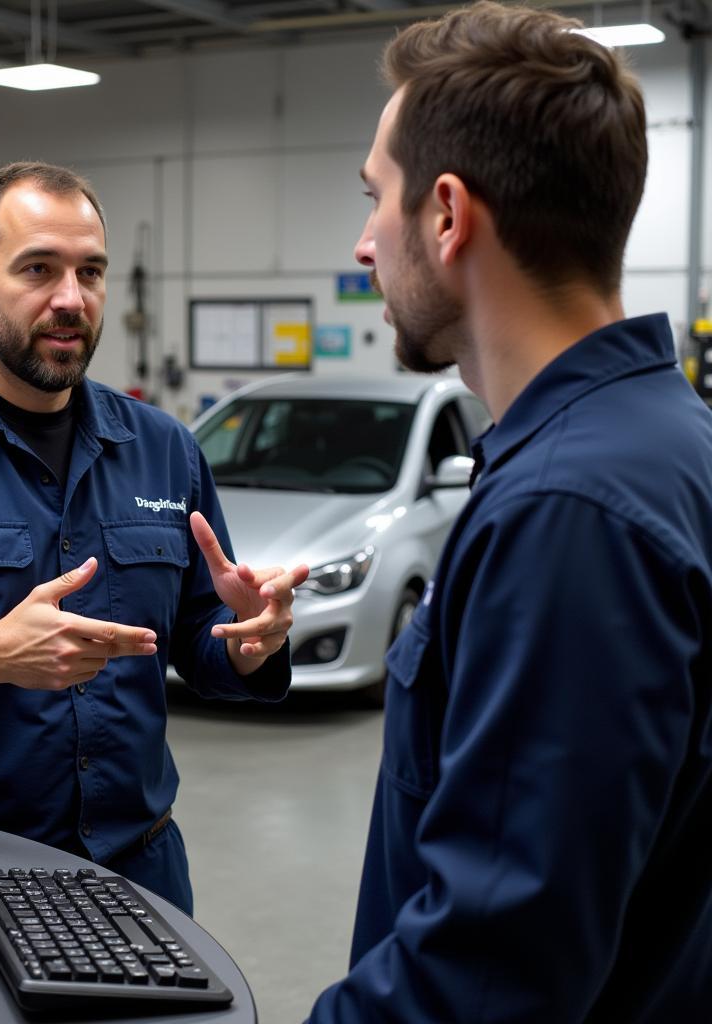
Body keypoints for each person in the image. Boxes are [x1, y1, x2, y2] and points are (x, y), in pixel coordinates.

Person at [307, 3, 712, 1021]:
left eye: (375, 198)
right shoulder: (664, 440)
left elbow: (486, 981)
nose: (363, 243)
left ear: (445, 215)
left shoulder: (569, 512)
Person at [0, 161, 308, 914]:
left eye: (90, 272)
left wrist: (244, 644)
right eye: (38, 269)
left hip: (141, 872)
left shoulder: (166, 447)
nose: (71, 299)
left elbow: (198, 639)